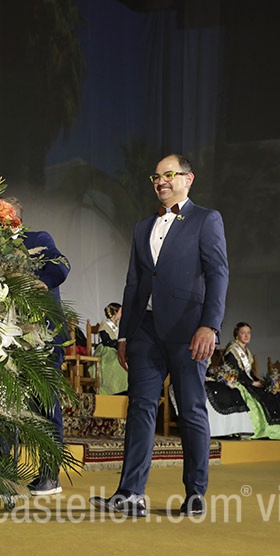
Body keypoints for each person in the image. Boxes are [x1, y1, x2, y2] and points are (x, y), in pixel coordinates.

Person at [91, 154, 228, 518]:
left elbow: (218, 274)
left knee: (191, 410)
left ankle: (195, 493)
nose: (161, 181)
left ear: (188, 179)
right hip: (144, 331)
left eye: (169, 174)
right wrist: (124, 336)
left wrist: (210, 325)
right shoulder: (142, 227)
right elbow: (134, 283)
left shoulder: (206, 219)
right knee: (140, 407)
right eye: (156, 176)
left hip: (189, 330)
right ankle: (130, 492)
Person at [13, 200, 71, 496]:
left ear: (17, 218)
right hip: (6, 339)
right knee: (5, 405)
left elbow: (62, 264)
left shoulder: (38, 239)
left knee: (46, 405)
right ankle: (4, 471)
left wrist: (43, 282)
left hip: (44, 338)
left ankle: (50, 474)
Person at [221, 322, 280, 439]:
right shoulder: (232, 350)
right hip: (237, 382)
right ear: (236, 335)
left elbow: (249, 373)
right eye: (243, 333)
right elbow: (235, 371)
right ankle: (266, 428)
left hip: (248, 380)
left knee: (270, 392)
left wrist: (260, 381)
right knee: (260, 395)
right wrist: (252, 383)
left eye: (248, 333)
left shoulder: (247, 351)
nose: (246, 335)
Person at [94, 302, 128, 395]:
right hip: (107, 350)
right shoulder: (105, 324)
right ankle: (114, 389)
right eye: (120, 312)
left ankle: (126, 388)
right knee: (114, 363)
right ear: (115, 312)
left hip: (117, 348)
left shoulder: (119, 325)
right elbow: (106, 341)